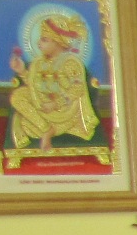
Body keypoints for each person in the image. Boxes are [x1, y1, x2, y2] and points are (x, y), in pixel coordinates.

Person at [6, 13, 97, 157]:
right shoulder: (39, 62)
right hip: (42, 106)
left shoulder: (69, 63)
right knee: (18, 96)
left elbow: (77, 89)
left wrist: (55, 104)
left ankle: (46, 128)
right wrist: (22, 71)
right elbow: (35, 87)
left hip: (64, 112)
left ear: (58, 41)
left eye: (44, 40)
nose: (39, 43)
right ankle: (46, 129)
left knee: (25, 122)